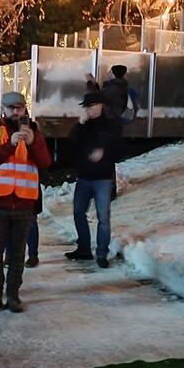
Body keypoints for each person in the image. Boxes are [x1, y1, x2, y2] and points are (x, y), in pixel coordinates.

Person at [0, 91, 51, 313]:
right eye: (10, 108)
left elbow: (45, 162)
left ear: (24, 110)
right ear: (3, 109)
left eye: (19, 108)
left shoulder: (35, 135)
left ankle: (13, 295)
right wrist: (9, 145)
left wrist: (32, 143)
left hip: (23, 204)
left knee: (18, 253)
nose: (15, 111)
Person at [66, 90, 121, 268]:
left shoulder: (111, 124)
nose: (88, 110)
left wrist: (103, 152)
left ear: (100, 105)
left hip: (102, 178)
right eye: (86, 108)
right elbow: (73, 142)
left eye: (90, 107)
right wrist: (79, 125)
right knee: (78, 213)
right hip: (84, 177)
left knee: (103, 217)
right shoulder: (85, 125)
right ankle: (84, 248)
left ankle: (102, 254)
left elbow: (119, 147)